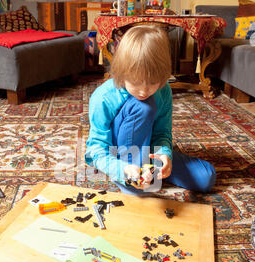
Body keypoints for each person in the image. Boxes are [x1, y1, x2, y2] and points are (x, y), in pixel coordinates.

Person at [85, 25, 216, 195]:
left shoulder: (164, 90)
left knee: (206, 177)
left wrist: (164, 155)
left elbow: (162, 133)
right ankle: (132, 172)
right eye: (136, 82)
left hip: (147, 149)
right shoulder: (103, 97)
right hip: (118, 155)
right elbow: (96, 150)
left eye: (153, 83)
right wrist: (122, 169)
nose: (144, 91)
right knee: (143, 106)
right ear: (122, 72)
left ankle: (145, 168)